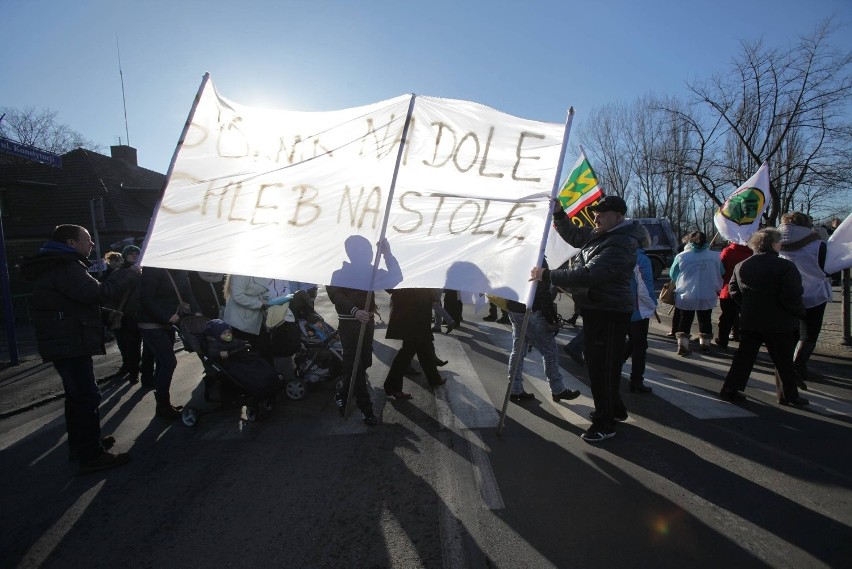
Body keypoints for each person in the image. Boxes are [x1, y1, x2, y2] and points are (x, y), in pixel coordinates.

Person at [19, 224, 135, 473]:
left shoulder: (57, 263)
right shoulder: (65, 265)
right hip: (69, 342)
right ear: (72, 243)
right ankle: (91, 455)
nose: (92, 244)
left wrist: (103, 316)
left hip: (65, 339)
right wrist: (129, 273)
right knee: (86, 396)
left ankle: (82, 444)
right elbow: (96, 294)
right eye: (88, 239)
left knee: (77, 397)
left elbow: (74, 303)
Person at [532, 195, 645, 442]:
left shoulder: (620, 242)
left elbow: (590, 273)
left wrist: (548, 275)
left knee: (603, 368)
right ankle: (613, 409)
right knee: (600, 365)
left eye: (601, 214)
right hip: (597, 309)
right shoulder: (602, 234)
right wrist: (559, 213)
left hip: (610, 312)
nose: (595, 217)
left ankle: (605, 423)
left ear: (618, 216)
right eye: (595, 213)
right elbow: (573, 236)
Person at [718, 228, 808, 406]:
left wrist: (747, 305)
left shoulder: (742, 265)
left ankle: (730, 388)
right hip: (779, 320)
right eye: (778, 242)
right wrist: (799, 312)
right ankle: (789, 395)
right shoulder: (785, 266)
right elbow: (791, 294)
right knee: (783, 360)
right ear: (773, 244)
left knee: (744, 357)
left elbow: (733, 290)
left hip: (751, 319)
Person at [327, 236, 402, 426]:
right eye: (365, 251)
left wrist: (387, 254)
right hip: (349, 325)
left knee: (364, 363)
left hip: (366, 324)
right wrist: (355, 311)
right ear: (352, 254)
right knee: (356, 367)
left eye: (370, 250)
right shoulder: (338, 274)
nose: (369, 254)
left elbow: (396, 278)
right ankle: (366, 409)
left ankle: (343, 393)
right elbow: (336, 295)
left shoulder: (371, 272)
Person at [507, 258, 580, 404]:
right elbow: (542, 291)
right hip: (532, 309)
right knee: (550, 350)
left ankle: (515, 389)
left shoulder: (518, 254)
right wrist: (550, 316)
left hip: (515, 306)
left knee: (518, 349)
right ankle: (558, 389)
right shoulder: (537, 256)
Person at [778, 212, 833, 389]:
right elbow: (829, 269)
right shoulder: (818, 245)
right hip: (813, 293)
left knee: (789, 331)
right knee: (809, 332)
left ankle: (785, 367)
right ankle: (798, 365)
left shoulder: (775, 242)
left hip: (786, 294)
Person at [138, 267, 200, 419]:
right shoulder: (152, 270)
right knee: (168, 362)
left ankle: (163, 404)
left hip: (169, 323)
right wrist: (166, 316)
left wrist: (197, 311)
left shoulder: (179, 270)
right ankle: (163, 406)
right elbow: (146, 298)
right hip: (152, 323)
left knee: (162, 362)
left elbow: (188, 293)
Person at [383, 288, 447, 399]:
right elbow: (389, 285)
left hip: (419, 312)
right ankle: (392, 387)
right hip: (410, 314)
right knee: (408, 351)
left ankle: (434, 378)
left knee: (424, 347)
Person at [669, 231, 723, 355]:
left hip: (686, 293)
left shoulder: (682, 256)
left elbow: (673, 274)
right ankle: (705, 345)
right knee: (705, 318)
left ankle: (683, 345)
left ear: (689, 241)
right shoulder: (715, 256)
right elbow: (721, 271)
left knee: (685, 319)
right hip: (708, 291)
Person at [104, 244, 151, 384]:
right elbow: (111, 294)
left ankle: (147, 375)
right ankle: (133, 373)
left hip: (146, 314)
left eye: (137, 253)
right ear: (124, 256)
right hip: (128, 316)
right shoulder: (118, 273)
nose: (134, 255)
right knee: (132, 347)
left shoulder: (146, 271)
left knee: (150, 348)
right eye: (131, 254)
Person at [203, 319, 281, 401]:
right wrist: (219, 353)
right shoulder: (215, 344)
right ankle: (259, 387)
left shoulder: (232, 340)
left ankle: (273, 378)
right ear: (217, 335)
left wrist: (245, 343)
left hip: (240, 358)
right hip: (230, 363)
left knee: (258, 361)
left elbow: (238, 342)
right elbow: (211, 352)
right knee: (246, 372)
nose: (228, 334)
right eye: (224, 333)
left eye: (229, 332)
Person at [623, 226, 657, 393]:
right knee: (640, 346)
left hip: (619, 307)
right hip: (637, 310)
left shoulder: (618, 254)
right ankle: (636, 381)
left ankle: (614, 368)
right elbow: (645, 288)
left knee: (631, 342)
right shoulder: (641, 259)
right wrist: (651, 305)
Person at [222, 274, 273, 359]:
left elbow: (265, 289)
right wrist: (259, 303)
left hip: (254, 320)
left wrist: (268, 299)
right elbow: (238, 296)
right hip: (240, 323)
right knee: (250, 355)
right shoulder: (240, 273)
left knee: (264, 351)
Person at [715, 241, 752, 349]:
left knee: (726, 316)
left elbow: (720, 269)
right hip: (746, 289)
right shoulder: (752, 252)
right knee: (745, 316)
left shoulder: (728, 251)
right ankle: (740, 337)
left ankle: (723, 339)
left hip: (728, 287)